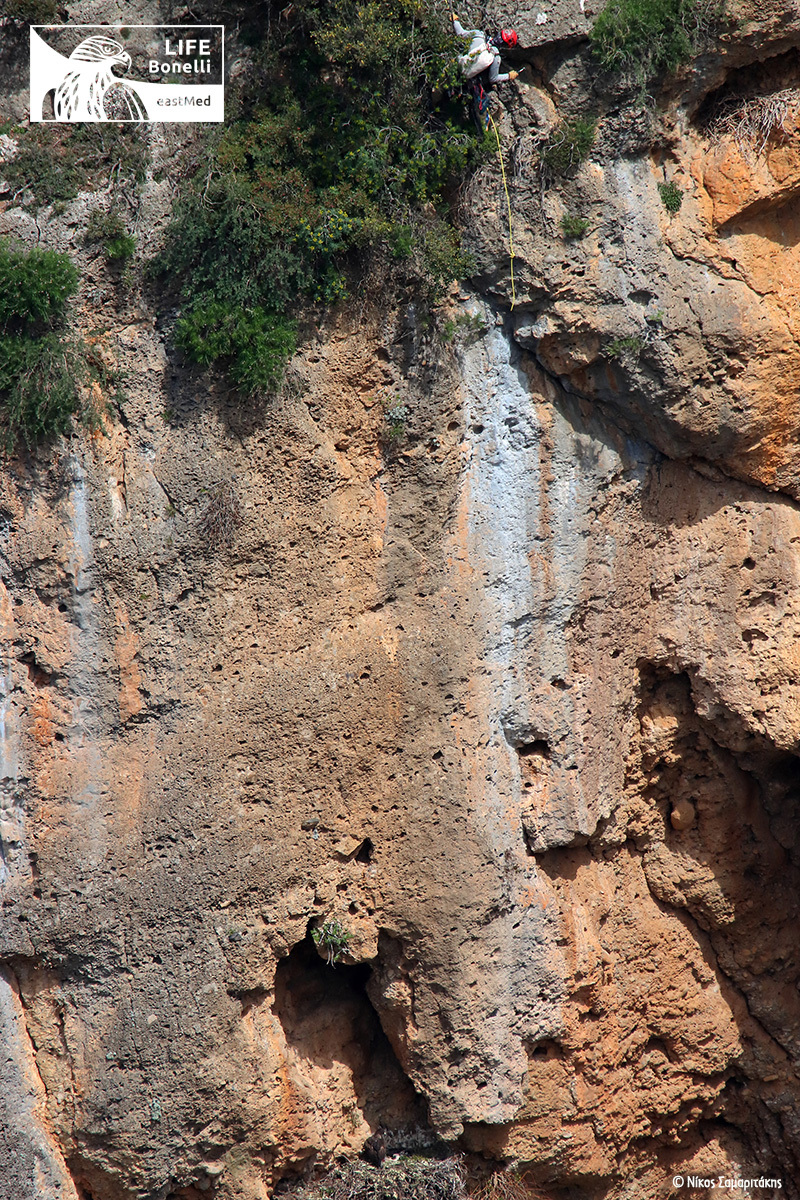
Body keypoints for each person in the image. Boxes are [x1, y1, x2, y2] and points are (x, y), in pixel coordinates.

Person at [452, 15, 519, 130]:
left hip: (454, 66)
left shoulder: (479, 35)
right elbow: (493, 78)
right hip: (466, 81)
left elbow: (460, 33)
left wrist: (455, 21)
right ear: (505, 46)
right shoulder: (495, 58)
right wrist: (508, 76)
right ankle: (482, 127)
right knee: (481, 100)